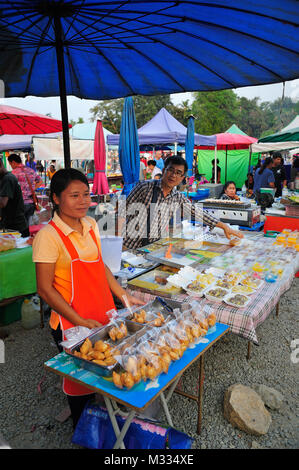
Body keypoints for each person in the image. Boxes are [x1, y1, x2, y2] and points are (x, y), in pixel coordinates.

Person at [32, 168, 143, 428]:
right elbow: (45, 289)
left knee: (107, 368)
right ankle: (83, 429)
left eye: (86, 194)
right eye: (74, 195)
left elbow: (99, 266)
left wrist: (124, 295)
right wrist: (79, 320)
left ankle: (107, 419)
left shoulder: (91, 224)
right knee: (80, 382)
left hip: (102, 313)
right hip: (72, 324)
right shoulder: (48, 237)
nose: (83, 201)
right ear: (56, 199)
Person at [119, 155, 243, 250]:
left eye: (178, 173)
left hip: (152, 248)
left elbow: (198, 213)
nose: (173, 175)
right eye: (171, 170)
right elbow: (121, 212)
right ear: (163, 170)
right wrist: (119, 244)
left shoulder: (177, 197)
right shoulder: (144, 187)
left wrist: (224, 226)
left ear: (182, 178)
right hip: (130, 247)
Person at [8, 153, 43, 223]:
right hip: (31, 203)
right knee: (28, 224)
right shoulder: (30, 170)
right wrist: (33, 189)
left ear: (13, 162)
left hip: (20, 204)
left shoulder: (13, 173)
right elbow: (40, 181)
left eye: (10, 164)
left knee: (19, 225)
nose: (11, 166)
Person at [0, 157, 29, 237]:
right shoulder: (4, 178)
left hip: (16, 227)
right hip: (10, 224)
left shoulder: (8, 179)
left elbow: (2, 203)